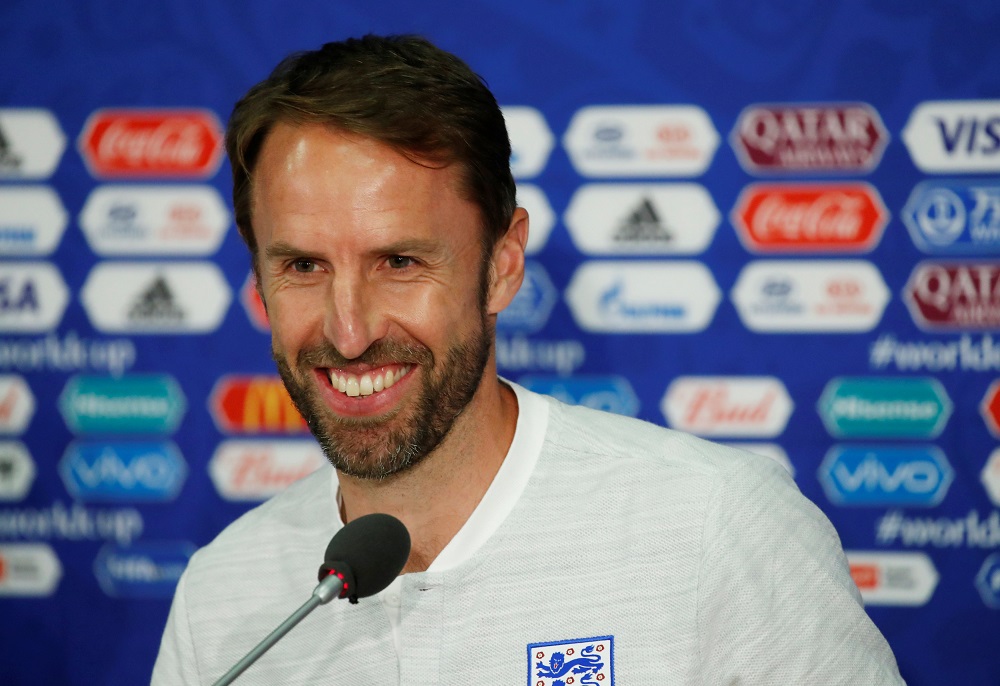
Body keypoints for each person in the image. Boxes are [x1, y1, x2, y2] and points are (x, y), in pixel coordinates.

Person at [152, 34, 905, 685]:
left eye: (401, 262)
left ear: (504, 265)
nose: (348, 333)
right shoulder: (225, 596)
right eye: (304, 268)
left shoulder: (718, 528)